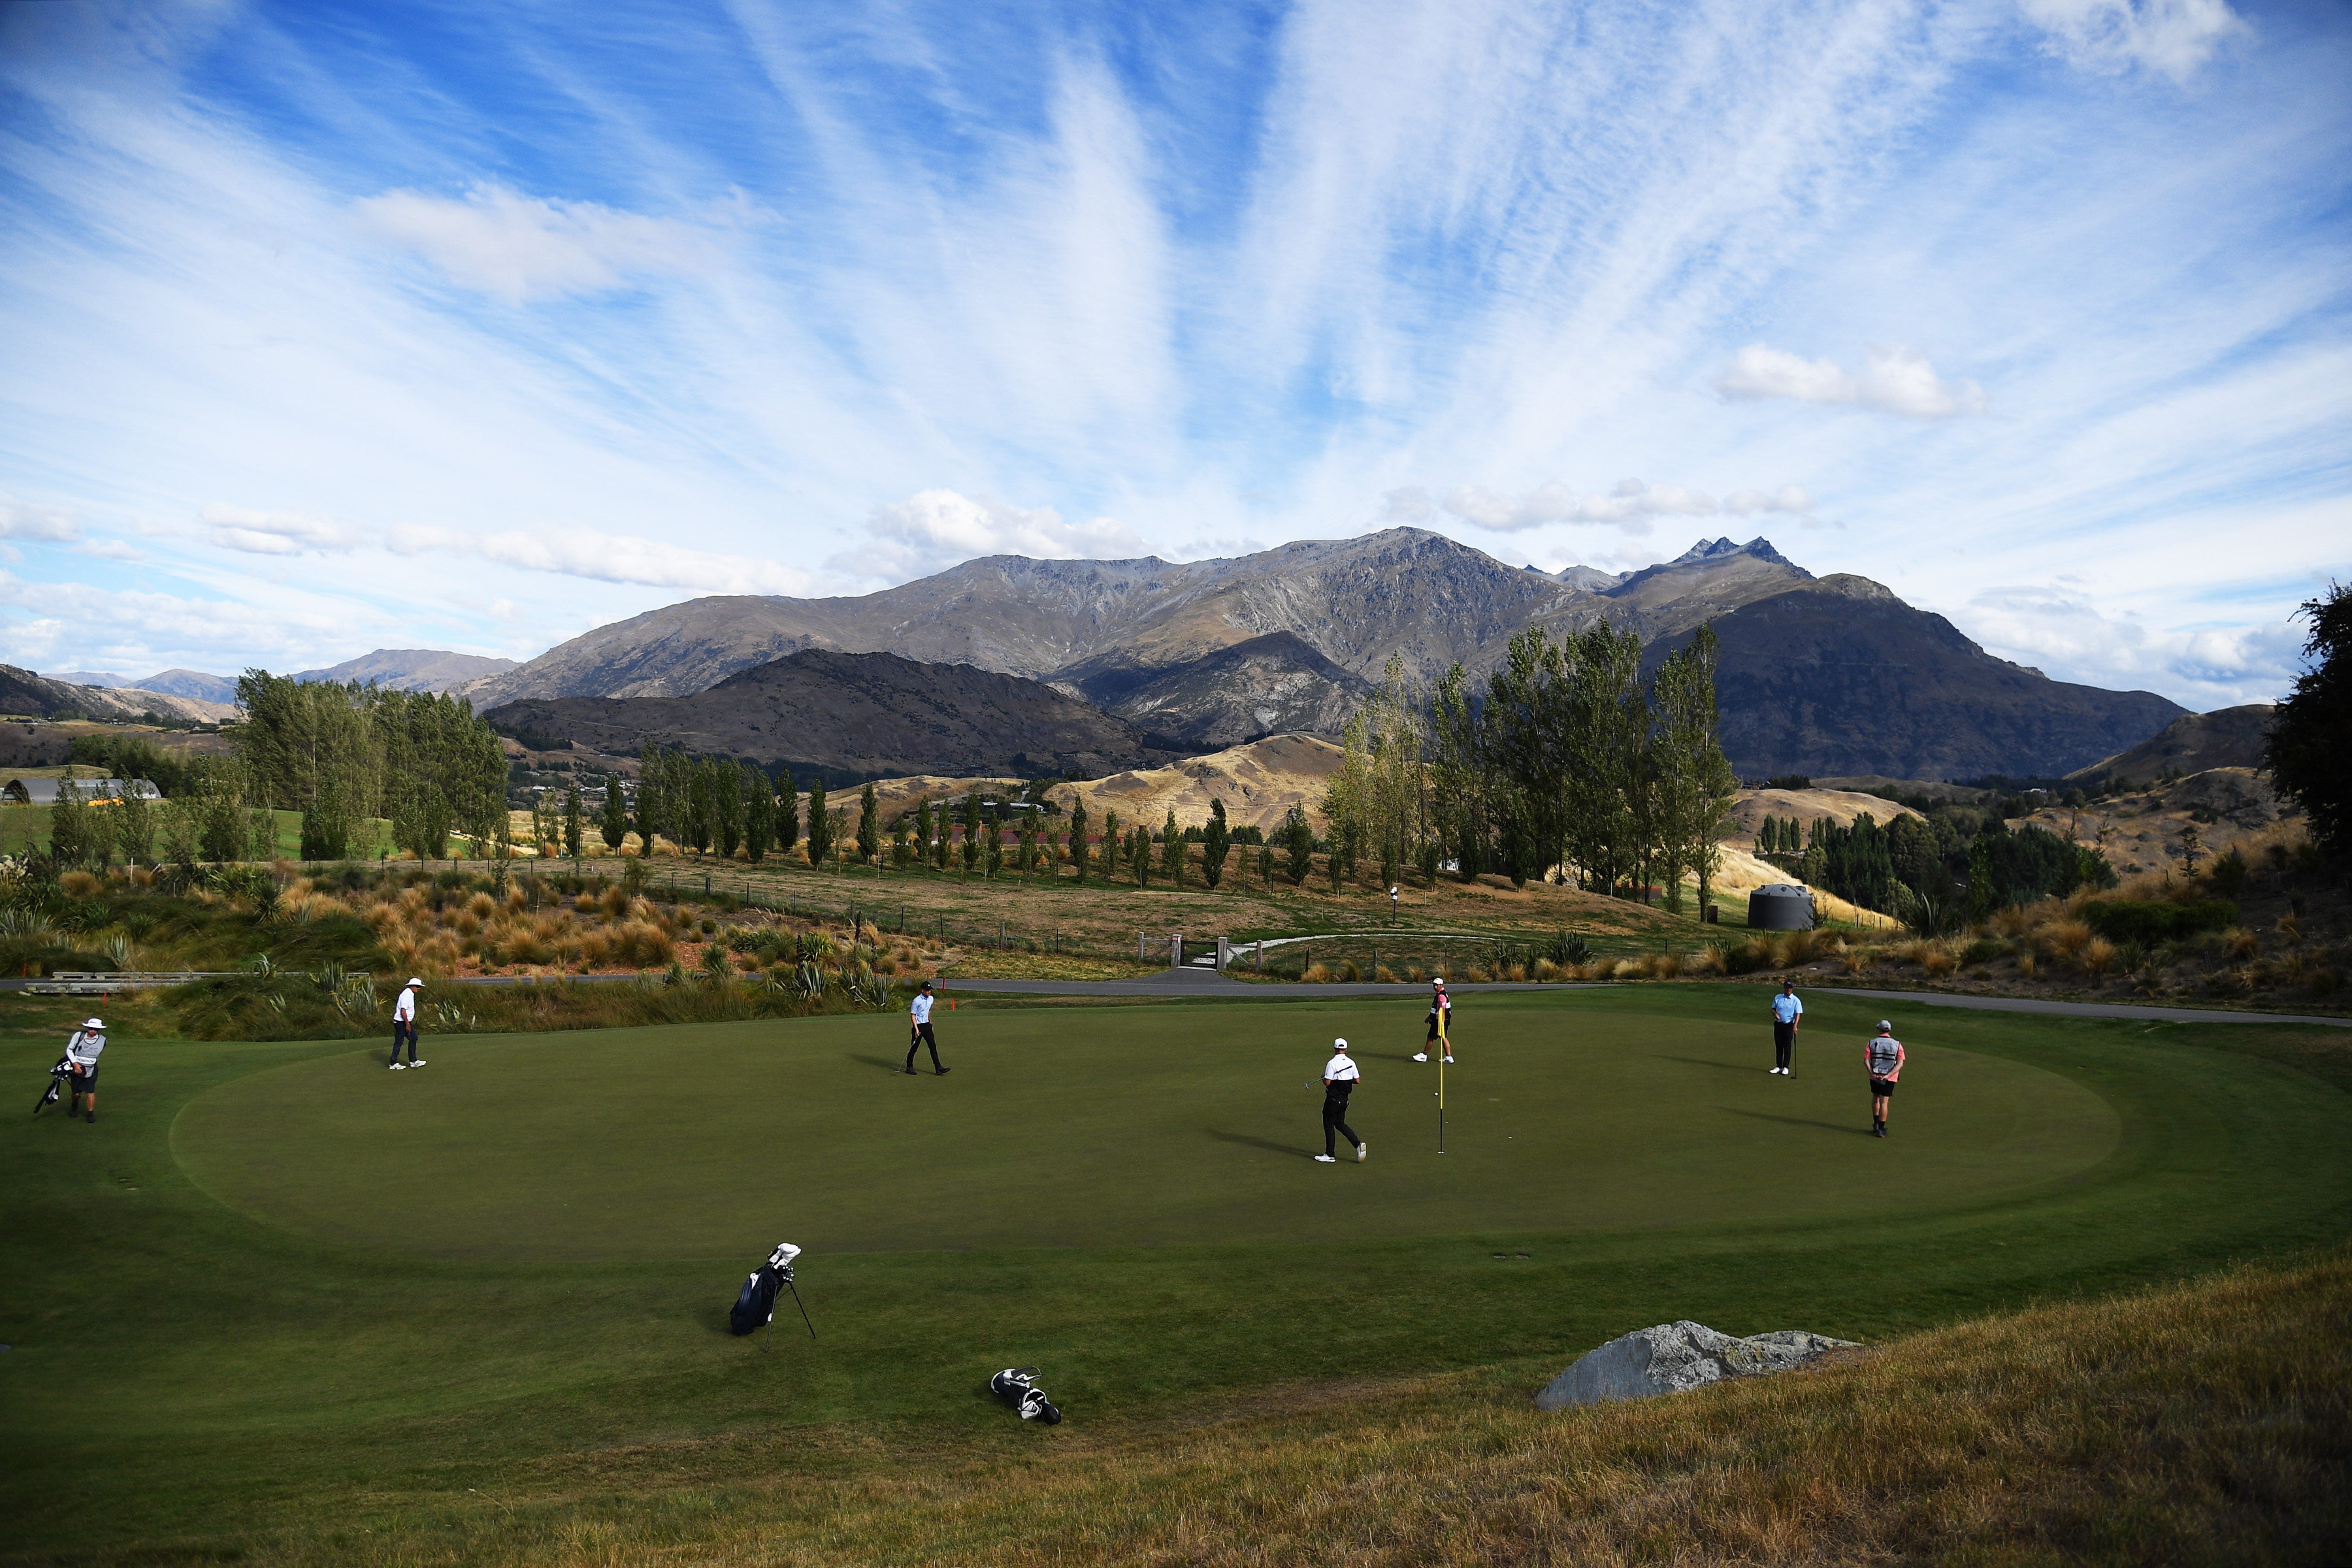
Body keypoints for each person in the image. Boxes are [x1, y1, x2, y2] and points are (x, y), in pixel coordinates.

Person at [1316, 1037, 1364, 1164]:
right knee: (1339, 1123)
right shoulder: (1351, 1062)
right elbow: (1357, 1080)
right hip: (1344, 1100)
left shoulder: (1332, 1063)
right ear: (1346, 1049)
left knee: (1328, 1125)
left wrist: (1324, 1077)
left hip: (1332, 1100)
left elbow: (1327, 1083)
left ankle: (1330, 1154)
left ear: (1335, 1049)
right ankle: (1358, 1144)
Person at [1867, 1020, 1906, 1137]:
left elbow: (1866, 1061)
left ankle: (1876, 1124)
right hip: (1890, 1077)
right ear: (1889, 1030)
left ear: (1879, 1030)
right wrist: (1888, 1076)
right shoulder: (1897, 1044)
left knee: (1876, 1098)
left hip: (1875, 1075)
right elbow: (1900, 1064)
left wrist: (1873, 1074)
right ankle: (1881, 1129)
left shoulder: (1872, 1042)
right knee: (1884, 1102)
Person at [64, 1016, 104, 1123]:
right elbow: (70, 1050)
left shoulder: (103, 1040)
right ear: (88, 1028)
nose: (93, 1031)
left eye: (96, 1029)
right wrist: (76, 1065)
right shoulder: (79, 1036)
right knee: (76, 1094)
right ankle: (74, 1105)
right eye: (91, 1028)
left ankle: (90, 1113)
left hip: (91, 1070)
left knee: (90, 1092)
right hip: (76, 1068)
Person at [904, 979, 948, 1075]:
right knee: (914, 1048)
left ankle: (938, 1068)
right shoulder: (917, 1001)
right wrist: (916, 1029)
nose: (929, 991)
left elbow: (929, 1011)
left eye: (930, 990)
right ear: (922, 990)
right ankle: (909, 1067)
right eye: (927, 990)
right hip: (918, 1026)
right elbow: (913, 1015)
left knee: (933, 1047)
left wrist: (930, 1024)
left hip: (927, 1025)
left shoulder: (931, 999)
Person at [1413, 977, 1452, 1064]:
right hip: (1442, 1020)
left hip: (1440, 1021)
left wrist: (1441, 1022)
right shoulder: (1441, 994)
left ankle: (1424, 1055)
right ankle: (1449, 1057)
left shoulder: (1441, 995)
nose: (1435, 987)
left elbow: (1443, 1009)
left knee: (1431, 1037)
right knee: (1443, 1037)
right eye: (1434, 985)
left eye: (1437, 985)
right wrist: (1428, 1018)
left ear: (1441, 985)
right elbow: (1435, 1010)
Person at [389, 978, 426, 1070]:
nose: (419, 988)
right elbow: (403, 1011)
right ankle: (393, 1063)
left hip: (405, 1022)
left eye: (420, 987)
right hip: (401, 1022)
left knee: (413, 1038)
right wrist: (407, 1024)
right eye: (418, 986)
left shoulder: (410, 994)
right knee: (399, 1041)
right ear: (412, 986)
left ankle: (413, 1061)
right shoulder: (406, 995)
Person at [1769, 980, 1802, 1074]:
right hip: (1778, 1025)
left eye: (1790, 988)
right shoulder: (1778, 997)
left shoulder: (1796, 1000)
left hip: (1788, 1026)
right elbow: (1773, 1008)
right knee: (1779, 1046)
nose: (1789, 990)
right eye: (1787, 988)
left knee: (1787, 1047)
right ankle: (1778, 1066)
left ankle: (1786, 1067)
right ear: (1784, 988)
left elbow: (1798, 1014)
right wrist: (1775, 1014)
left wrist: (1795, 1026)